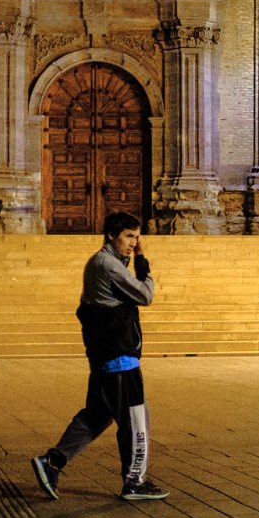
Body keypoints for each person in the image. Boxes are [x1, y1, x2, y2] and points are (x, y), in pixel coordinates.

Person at [31, 211, 169, 502]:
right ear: (111, 235)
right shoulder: (107, 264)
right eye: (129, 236)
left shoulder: (103, 263)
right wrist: (144, 265)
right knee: (135, 419)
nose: (134, 243)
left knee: (97, 415)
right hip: (119, 358)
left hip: (106, 356)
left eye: (137, 236)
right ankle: (134, 482)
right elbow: (145, 295)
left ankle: (52, 462)